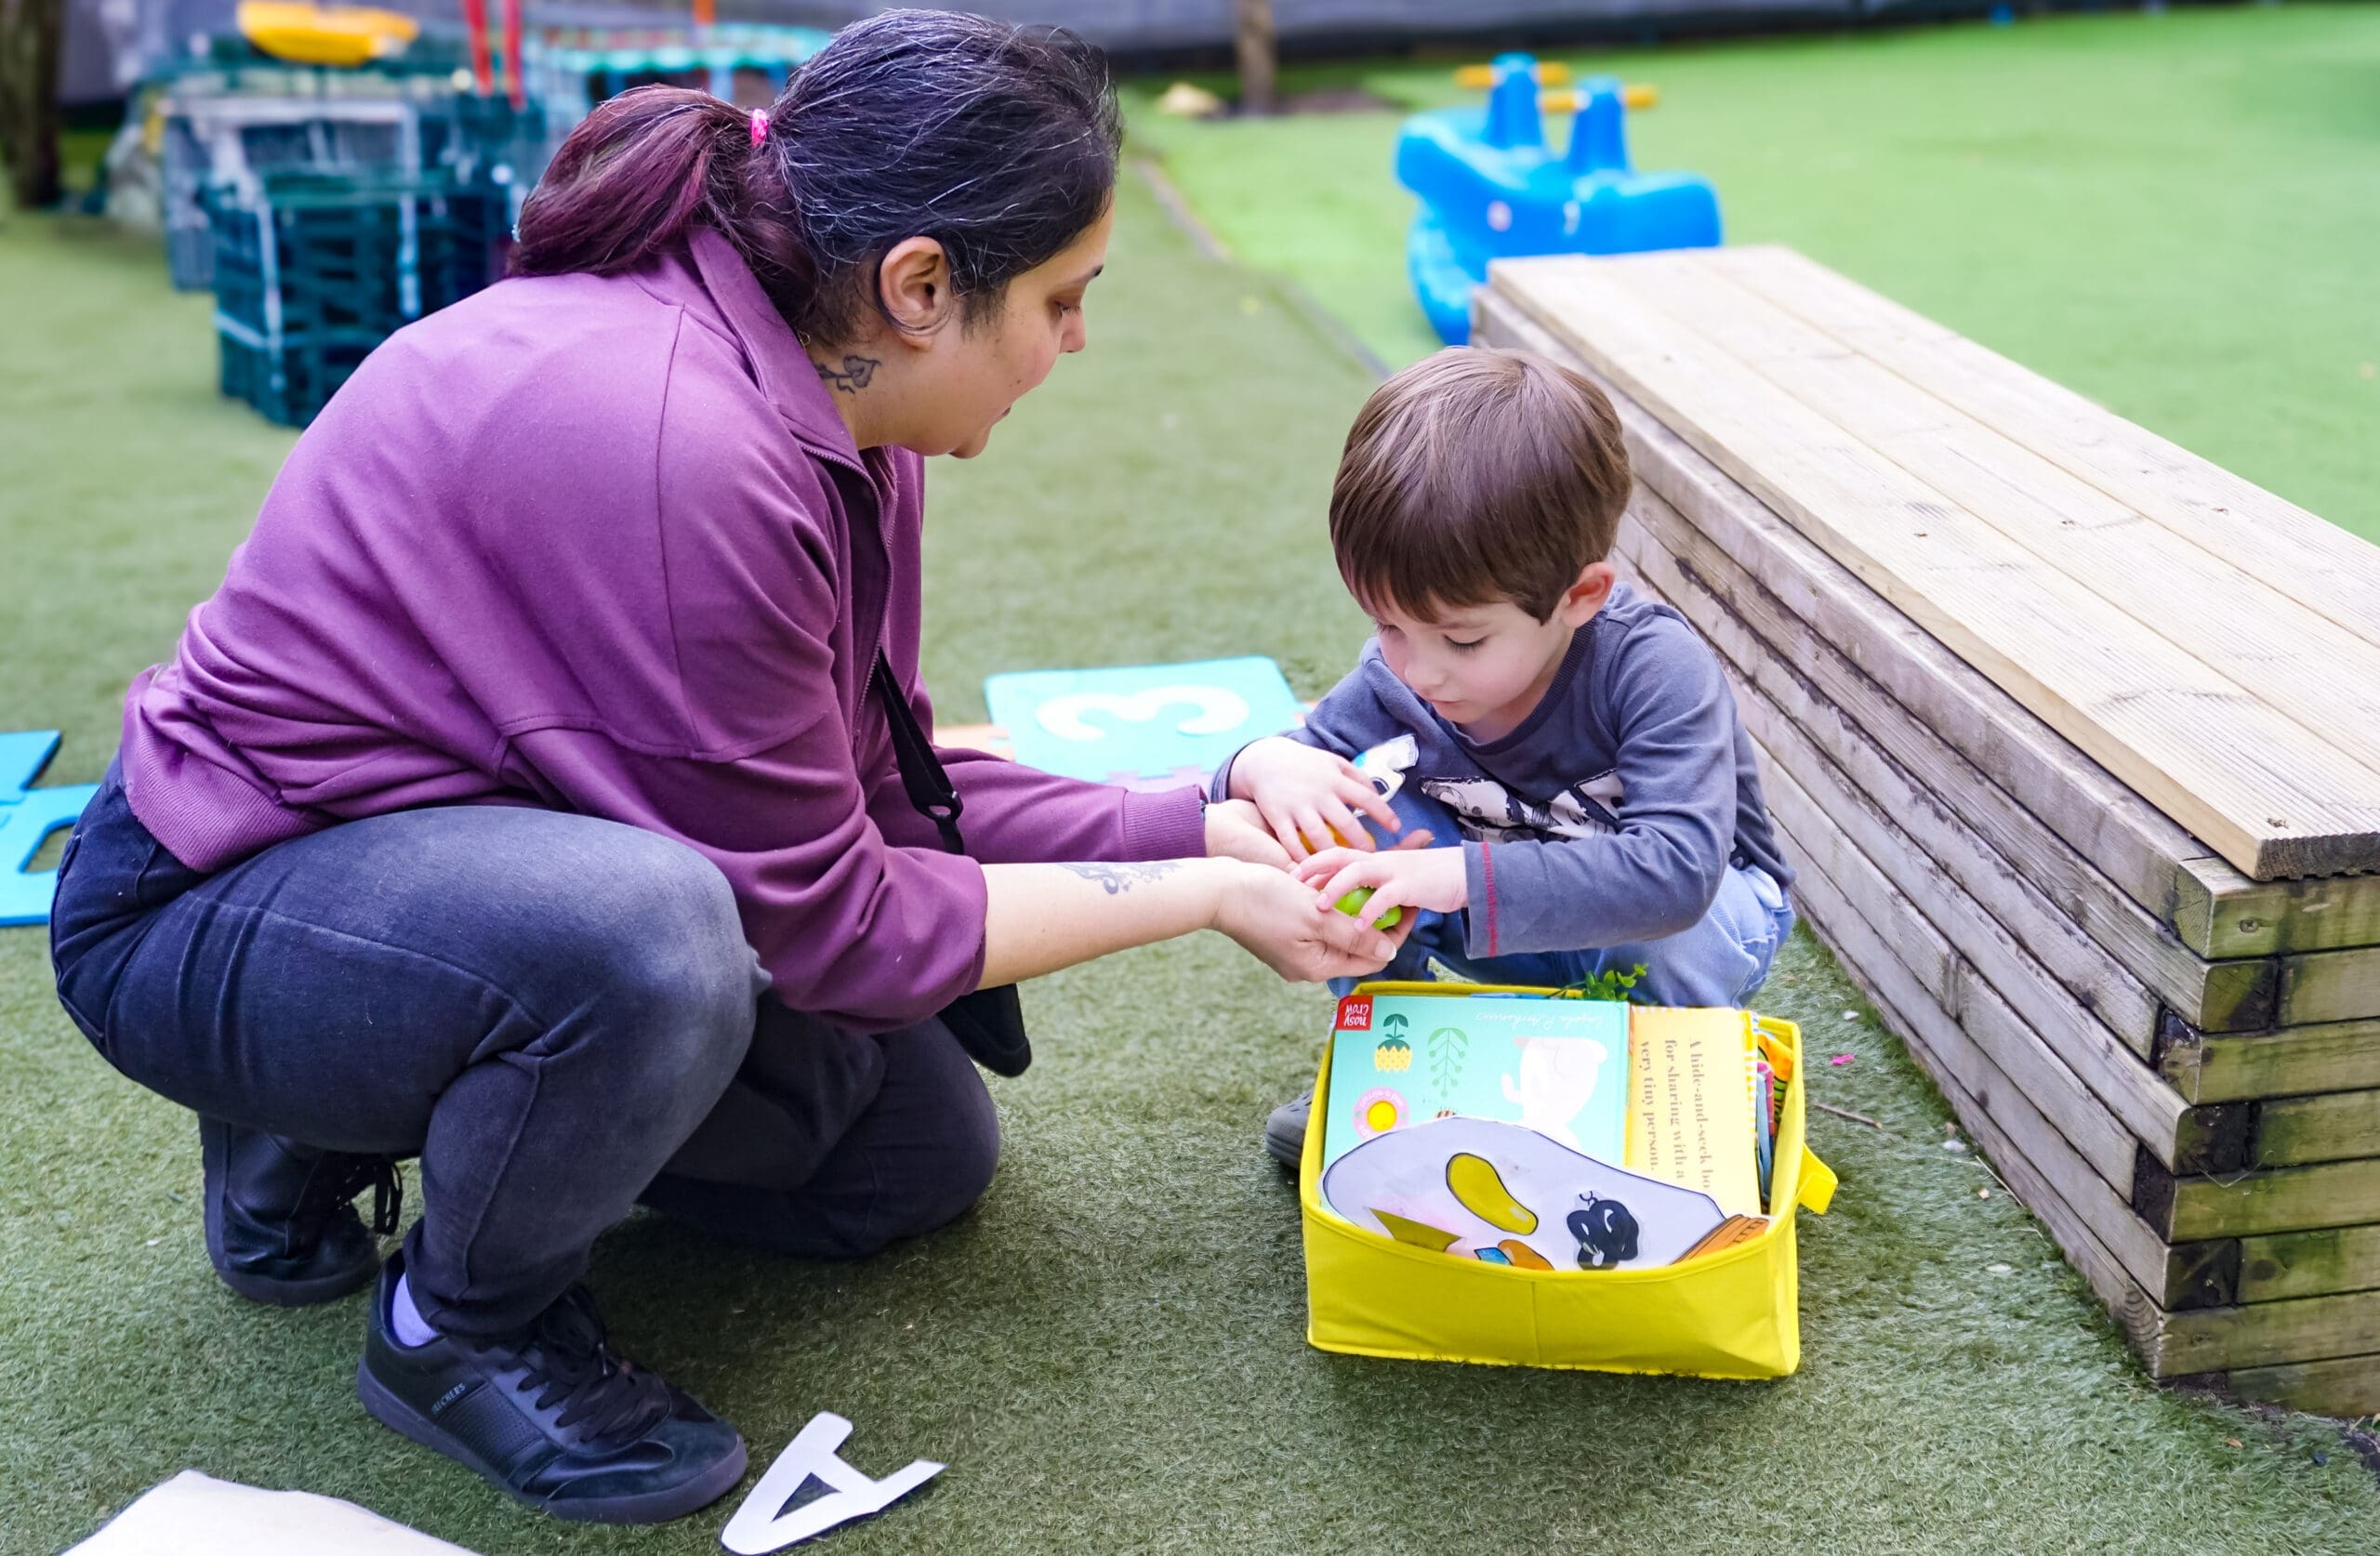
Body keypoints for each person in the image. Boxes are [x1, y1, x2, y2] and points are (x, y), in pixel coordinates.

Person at [46, 13, 1408, 1527]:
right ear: (920, 286)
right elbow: (837, 926)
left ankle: (372, 1104)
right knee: (654, 944)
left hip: (457, 849)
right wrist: (1201, 892)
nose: (1076, 342)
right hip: (205, 896)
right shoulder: (692, 446)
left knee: (907, 1150)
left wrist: (1207, 809)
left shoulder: (840, 398)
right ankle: (455, 1321)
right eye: (1061, 299)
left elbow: (881, 793)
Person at [1215, 348, 1798, 1166]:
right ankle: (1387, 1068)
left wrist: (1452, 875)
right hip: (1513, 926)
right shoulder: (1399, 676)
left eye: (1461, 639)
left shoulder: (1652, 667)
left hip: (1692, 921)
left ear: (1580, 597)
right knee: (1341, 824)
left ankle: (1685, 1104)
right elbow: (1277, 788)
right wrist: (1258, 766)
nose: (1418, 671)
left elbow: (1677, 875)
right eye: (1388, 625)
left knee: (1666, 940)